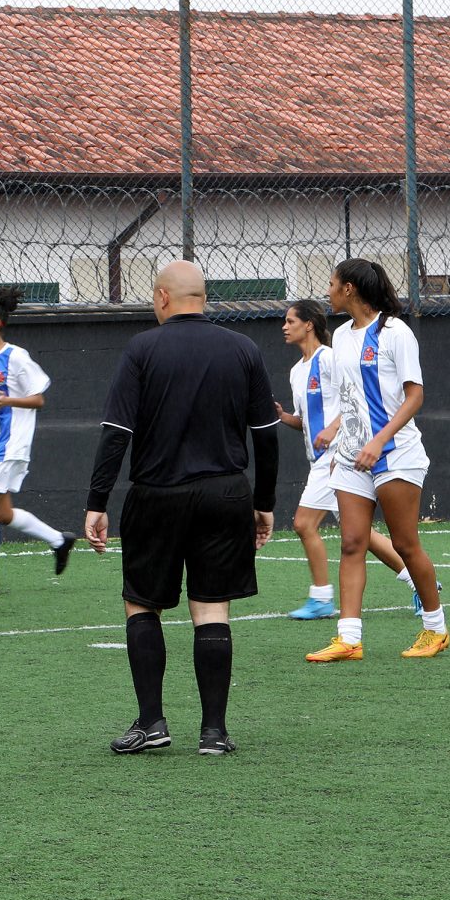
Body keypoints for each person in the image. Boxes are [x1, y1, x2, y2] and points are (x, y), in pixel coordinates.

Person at [84, 259, 279, 756]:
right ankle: (214, 732)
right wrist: (264, 503)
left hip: (157, 495)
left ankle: (151, 723)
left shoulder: (142, 349)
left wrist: (97, 503)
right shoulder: (244, 348)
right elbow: (266, 436)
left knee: (141, 602)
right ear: (204, 298)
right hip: (225, 495)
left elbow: (116, 435)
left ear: (163, 298)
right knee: (212, 608)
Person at [306, 259, 449, 663]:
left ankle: (436, 628)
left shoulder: (395, 332)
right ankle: (349, 639)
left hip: (397, 453)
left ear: (349, 289)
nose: (328, 291)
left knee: (404, 543)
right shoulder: (340, 336)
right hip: (352, 458)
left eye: (332, 284)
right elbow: (349, 398)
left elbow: (414, 395)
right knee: (352, 542)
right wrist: (338, 441)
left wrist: (380, 441)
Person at [274, 297, 417, 622]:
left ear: (308, 324)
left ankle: (322, 597)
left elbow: (352, 398)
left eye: (291, 321)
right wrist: (284, 417)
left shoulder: (328, 358)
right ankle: (420, 582)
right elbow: (306, 423)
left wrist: (334, 428)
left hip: (339, 456)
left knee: (303, 523)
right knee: (362, 536)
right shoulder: (297, 371)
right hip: (320, 459)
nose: (284, 326)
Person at [0, 286, 75, 594]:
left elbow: (38, 400)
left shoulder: (17, 357)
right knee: (2, 513)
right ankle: (60, 541)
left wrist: (9, 403)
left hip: (10, 443)